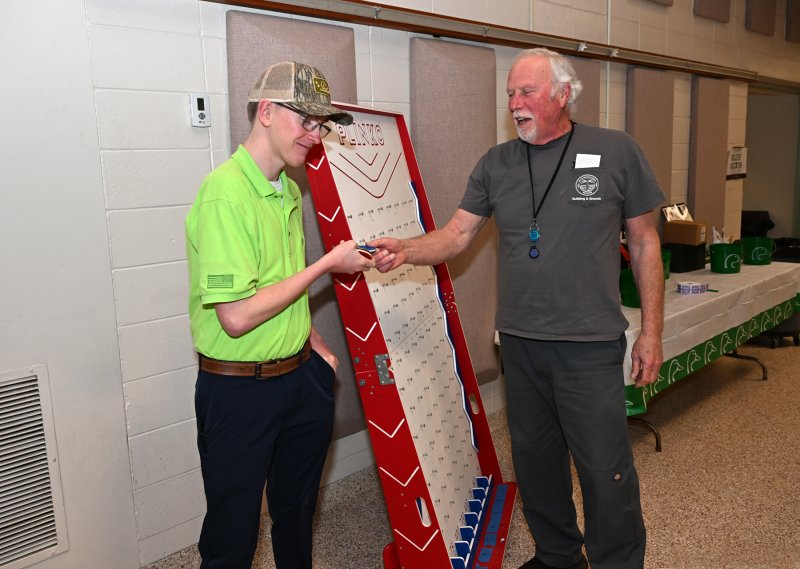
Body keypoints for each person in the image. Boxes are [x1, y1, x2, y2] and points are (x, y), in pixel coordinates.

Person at [371, 48, 665, 569]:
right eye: (510, 93)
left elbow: (644, 244)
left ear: (562, 94)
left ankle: (618, 561)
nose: (515, 103)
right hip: (521, 343)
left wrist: (651, 333)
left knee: (604, 468)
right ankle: (557, 556)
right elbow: (457, 234)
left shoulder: (616, 151)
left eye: (526, 92)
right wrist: (408, 248)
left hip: (589, 344)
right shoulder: (496, 163)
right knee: (535, 462)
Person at [185, 61, 374, 569]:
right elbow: (237, 317)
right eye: (305, 121)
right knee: (233, 532)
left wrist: (316, 348)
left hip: (300, 381)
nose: (315, 136)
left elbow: (275, 286)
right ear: (266, 112)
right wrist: (329, 264)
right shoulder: (225, 194)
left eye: (321, 125)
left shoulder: (287, 190)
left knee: (296, 513)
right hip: (238, 392)